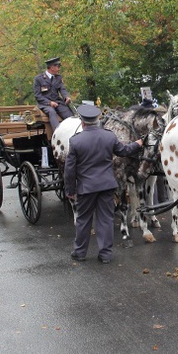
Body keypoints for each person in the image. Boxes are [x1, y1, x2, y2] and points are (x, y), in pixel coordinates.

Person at [64, 105, 143, 263]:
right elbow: (124, 151)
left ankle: (80, 253)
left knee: (83, 220)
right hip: (106, 186)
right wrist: (138, 144)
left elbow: (69, 170)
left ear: (82, 121)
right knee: (106, 220)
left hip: (86, 188)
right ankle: (105, 254)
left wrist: (70, 190)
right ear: (98, 119)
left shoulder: (75, 141)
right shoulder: (109, 137)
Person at [33, 57, 73, 131]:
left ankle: (72, 131)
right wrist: (49, 102)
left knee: (68, 114)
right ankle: (57, 133)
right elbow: (37, 95)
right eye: (58, 66)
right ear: (52, 67)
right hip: (45, 104)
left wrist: (67, 97)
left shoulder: (58, 78)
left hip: (57, 102)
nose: (59, 69)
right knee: (51, 112)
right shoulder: (39, 79)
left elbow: (62, 89)